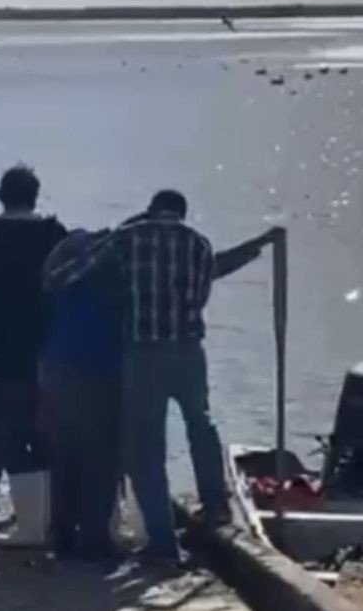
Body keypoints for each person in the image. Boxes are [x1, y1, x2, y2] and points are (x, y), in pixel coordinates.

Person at [45, 190, 279, 560]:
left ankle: (162, 541)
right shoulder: (198, 245)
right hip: (189, 351)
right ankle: (215, 501)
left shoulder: (130, 238)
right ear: (182, 214)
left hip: (144, 353)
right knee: (200, 422)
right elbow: (215, 271)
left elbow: (74, 271)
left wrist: (58, 277)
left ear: (152, 210)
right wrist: (258, 245)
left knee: (145, 449)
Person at [0, 165, 66, 548]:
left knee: (4, 422)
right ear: (35, 195)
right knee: (44, 426)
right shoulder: (53, 235)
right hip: (47, 345)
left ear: (1, 194)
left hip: (0, 347)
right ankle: (46, 506)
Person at [40, 228, 125, 561]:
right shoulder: (116, 276)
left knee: (65, 454)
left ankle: (61, 533)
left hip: (60, 367)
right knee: (102, 458)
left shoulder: (67, 277)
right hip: (103, 370)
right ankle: (94, 537)